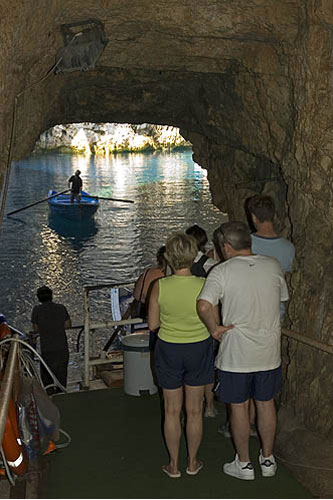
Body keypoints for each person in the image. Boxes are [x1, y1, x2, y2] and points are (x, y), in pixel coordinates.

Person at [197, 221, 289, 480]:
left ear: (226, 246)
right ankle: (268, 459)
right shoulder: (272, 265)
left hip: (237, 354)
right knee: (266, 403)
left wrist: (215, 329)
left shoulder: (222, 271)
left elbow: (204, 305)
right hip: (268, 351)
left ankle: (245, 464)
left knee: (238, 408)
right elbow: (282, 297)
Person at [148, 232, 218, 478]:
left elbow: (153, 324)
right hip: (198, 348)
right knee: (195, 411)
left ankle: (174, 465)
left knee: (171, 411)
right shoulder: (204, 285)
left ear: (168, 256)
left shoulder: (159, 286)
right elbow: (214, 322)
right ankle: (192, 462)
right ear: (192, 255)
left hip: (169, 349)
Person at [186, 224, 218, 418]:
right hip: (206, 322)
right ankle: (210, 407)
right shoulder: (212, 265)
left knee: (188, 369)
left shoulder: (179, 265)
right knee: (206, 368)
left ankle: (189, 406)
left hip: (183, 321)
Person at [31, 286, 71, 394]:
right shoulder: (61, 308)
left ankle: (50, 403)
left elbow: (36, 329)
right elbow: (68, 325)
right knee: (61, 379)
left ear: (39, 298)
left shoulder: (37, 310)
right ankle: (62, 400)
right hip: (62, 349)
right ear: (51, 296)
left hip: (47, 350)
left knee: (47, 381)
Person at [131, 246, 167, 321]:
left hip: (141, 313)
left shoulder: (147, 272)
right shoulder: (167, 277)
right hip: (157, 318)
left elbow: (136, 294)